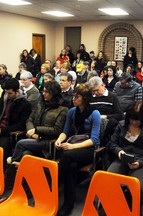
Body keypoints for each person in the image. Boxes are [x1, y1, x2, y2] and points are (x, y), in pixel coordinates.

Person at [55, 84, 101, 216]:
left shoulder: (94, 113)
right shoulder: (72, 112)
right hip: (74, 149)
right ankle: (68, 205)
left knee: (67, 157)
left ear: (85, 98)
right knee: (71, 167)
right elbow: (65, 131)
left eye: (77, 97)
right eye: (74, 96)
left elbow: (94, 140)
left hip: (89, 149)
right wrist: (59, 139)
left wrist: (72, 147)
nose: (73, 99)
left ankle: (54, 184)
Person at [107, 101, 143, 212]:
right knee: (108, 180)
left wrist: (140, 163)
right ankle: (116, 206)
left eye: (137, 120)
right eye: (131, 119)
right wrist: (119, 152)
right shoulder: (122, 125)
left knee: (135, 186)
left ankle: (135, 206)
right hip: (122, 159)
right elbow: (112, 143)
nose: (134, 122)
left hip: (142, 162)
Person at [7, 81, 68, 164]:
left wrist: (36, 130)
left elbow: (56, 130)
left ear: (54, 93)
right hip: (34, 138)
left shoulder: (62, 109)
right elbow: (29, 120)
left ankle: (12, 165)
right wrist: (32, 131)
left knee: (20, 143)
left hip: (47, 141)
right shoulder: (40, 105)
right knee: (26, 154)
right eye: (43, 91)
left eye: (47, 92)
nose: (43, 94)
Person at [88, 77, 124, 144]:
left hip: (107, 123)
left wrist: (105, 116)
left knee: (112, 122)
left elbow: (120, 115)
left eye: (97, 90)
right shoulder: (90, 97)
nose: (95, 93)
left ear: (102, 85)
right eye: (93, 91)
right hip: (92, 122)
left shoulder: (112, 96)